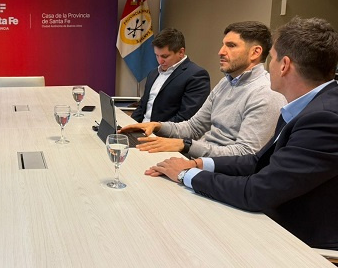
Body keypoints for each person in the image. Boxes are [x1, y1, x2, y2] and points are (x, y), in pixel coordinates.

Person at [146, 16, 338, 249]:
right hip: (272, 216)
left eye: (272, 58)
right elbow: (258, 161)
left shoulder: (324, 118)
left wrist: (185, 174)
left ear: (284, 65)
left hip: (295, 241)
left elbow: (258, 192)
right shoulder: (306, 106)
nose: (268, 66)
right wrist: (198, 164)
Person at [121, 21, 286, 158]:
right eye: (223, 45)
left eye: (231, 46)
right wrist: (157, 126)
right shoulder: (225, 83)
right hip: (199, 158)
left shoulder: (266, 94)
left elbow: (246, 154)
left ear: (255, 52)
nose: (221, 52)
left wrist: (185, 146)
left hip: (218, 172)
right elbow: (194, 127)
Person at [131, 28, 210, 123]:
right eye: (157, 55)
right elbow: (142, 106)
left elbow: (186, 118)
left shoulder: (196, 75)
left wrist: (155, 128)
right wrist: (129, 125)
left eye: (165, 56)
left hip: (164, 131)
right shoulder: (153, 73)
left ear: (181, 52)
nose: (160, 61)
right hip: (141, 128)